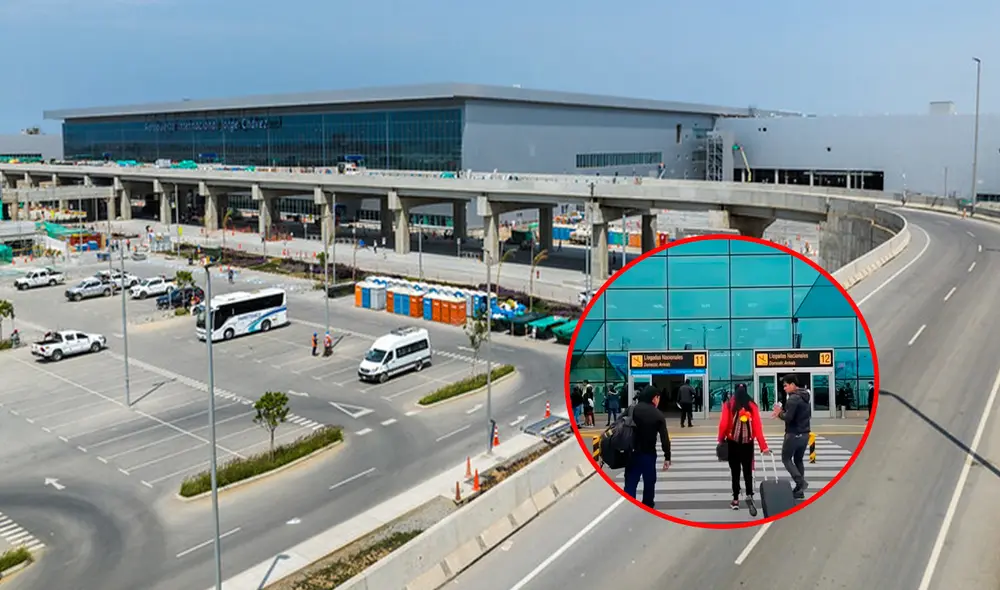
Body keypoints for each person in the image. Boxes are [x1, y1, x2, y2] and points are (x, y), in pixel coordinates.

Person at [717, 383, 770, 515]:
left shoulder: (728, 404)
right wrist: (764, 446)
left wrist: (720, 439)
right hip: (748, 443)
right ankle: (749, 495)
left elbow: (723, 424)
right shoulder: (752, 405)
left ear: (734, 391)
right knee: (747, 471)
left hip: (732, 442)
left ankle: (735, 500)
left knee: (735, 472)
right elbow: (757, 428)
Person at [623, 385, 671, 508]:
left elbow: (618, 425)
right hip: (648, 454)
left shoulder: (632, 409)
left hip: (631, 453)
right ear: (654, 398)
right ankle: (647, 505)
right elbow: (664, 438)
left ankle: (629, 504)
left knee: (631, 482)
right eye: (658, 398)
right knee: (649, 481)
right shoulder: (657, 414)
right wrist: (667, 457)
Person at [775, 374, 812, 499]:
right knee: (798, 460)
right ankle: (799, 490)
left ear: (792, 385)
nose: (784, 388)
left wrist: (779, 413)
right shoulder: (805, 396)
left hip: (793, 434)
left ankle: (800, 482)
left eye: (785, 385)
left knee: (786, 459)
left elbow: (788, 418)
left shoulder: (793, 399)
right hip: (805, 434)